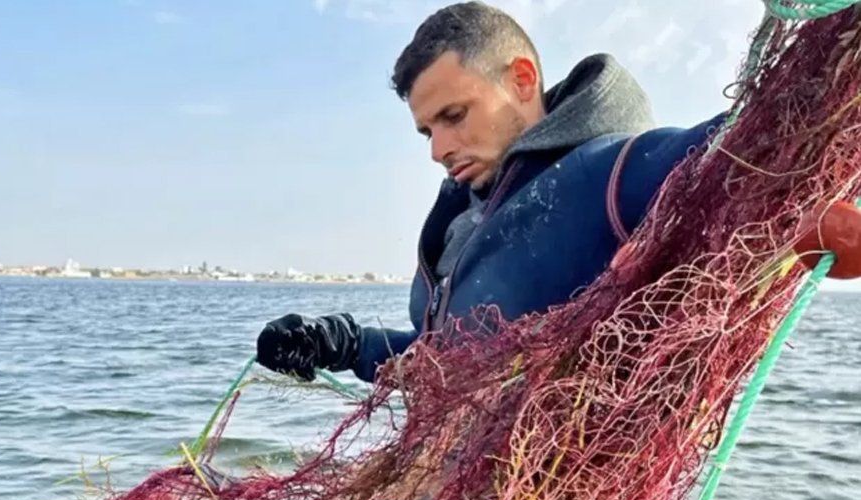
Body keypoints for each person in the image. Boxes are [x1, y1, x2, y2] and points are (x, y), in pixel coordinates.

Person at [255, 1, 861, 385]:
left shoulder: (611, 175)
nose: (437, 149)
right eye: (426, 130)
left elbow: (759, 137)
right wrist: (345, 344)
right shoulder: (462, 220)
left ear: (522, 80)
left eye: (454, 115)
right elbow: (440, 361)